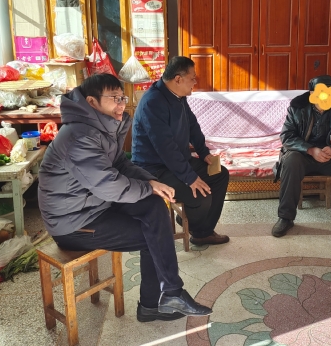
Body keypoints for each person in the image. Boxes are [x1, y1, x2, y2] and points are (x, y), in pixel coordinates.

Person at [38, 74, 211, 323]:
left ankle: (168, 296)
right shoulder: (79, 137)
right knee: (153, 236)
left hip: (95, 204)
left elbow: (120, 164)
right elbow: (108, 185)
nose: (121, 104)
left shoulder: (99, 126)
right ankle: (157, 302)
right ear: (92, 101)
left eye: (122, 98)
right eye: (114, 98)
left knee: (155, 207)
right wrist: (147, 187)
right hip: (73, 222)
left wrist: (151, 183)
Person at [131, 56, 230, 246]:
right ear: (178, 79)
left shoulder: (178, 97)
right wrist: (190, 177)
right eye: (192, 78)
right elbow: (165, 147)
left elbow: (192, 125)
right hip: (154, 169)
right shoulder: (153, 102)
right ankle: (195, 224)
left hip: (177, 161)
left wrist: (204, 153)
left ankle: (200, 230)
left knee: (220, 175)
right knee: (200, 196)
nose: (195, 82)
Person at [272, 75, 331, 238]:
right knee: (291, 160)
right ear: (311, 93)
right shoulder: (297, 107)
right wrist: (310, 150)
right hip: (305, 157)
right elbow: (287, 137)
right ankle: (286, 218)